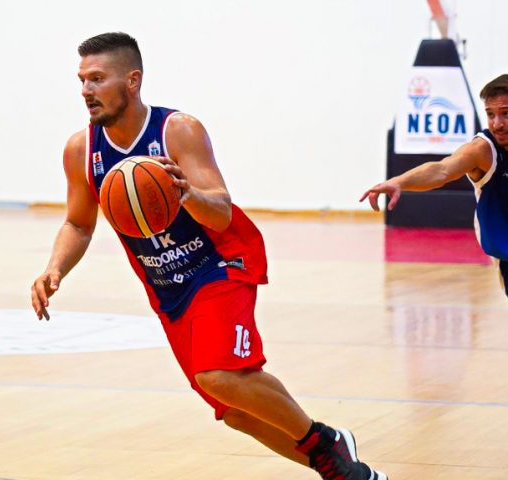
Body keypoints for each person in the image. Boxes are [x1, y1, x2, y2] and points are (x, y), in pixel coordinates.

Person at [31, 32, 387, 480]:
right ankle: (346, 471)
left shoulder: (178, 130)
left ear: (132, 80)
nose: (86, 90)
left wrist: (186, 195)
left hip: (219, 261)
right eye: (82, 80)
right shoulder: (81, 150)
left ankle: (325, 441)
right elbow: (79, 223)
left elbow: (220, 210)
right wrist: (54, 269)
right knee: (235, 410)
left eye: (97, 78)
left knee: (217, 374)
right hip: (167, 285)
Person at [362, 74, 508, 296]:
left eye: (506, 114)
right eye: (490, 114)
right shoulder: (482, 151)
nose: (497, 124)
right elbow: (441, 170)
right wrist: (400, 181)